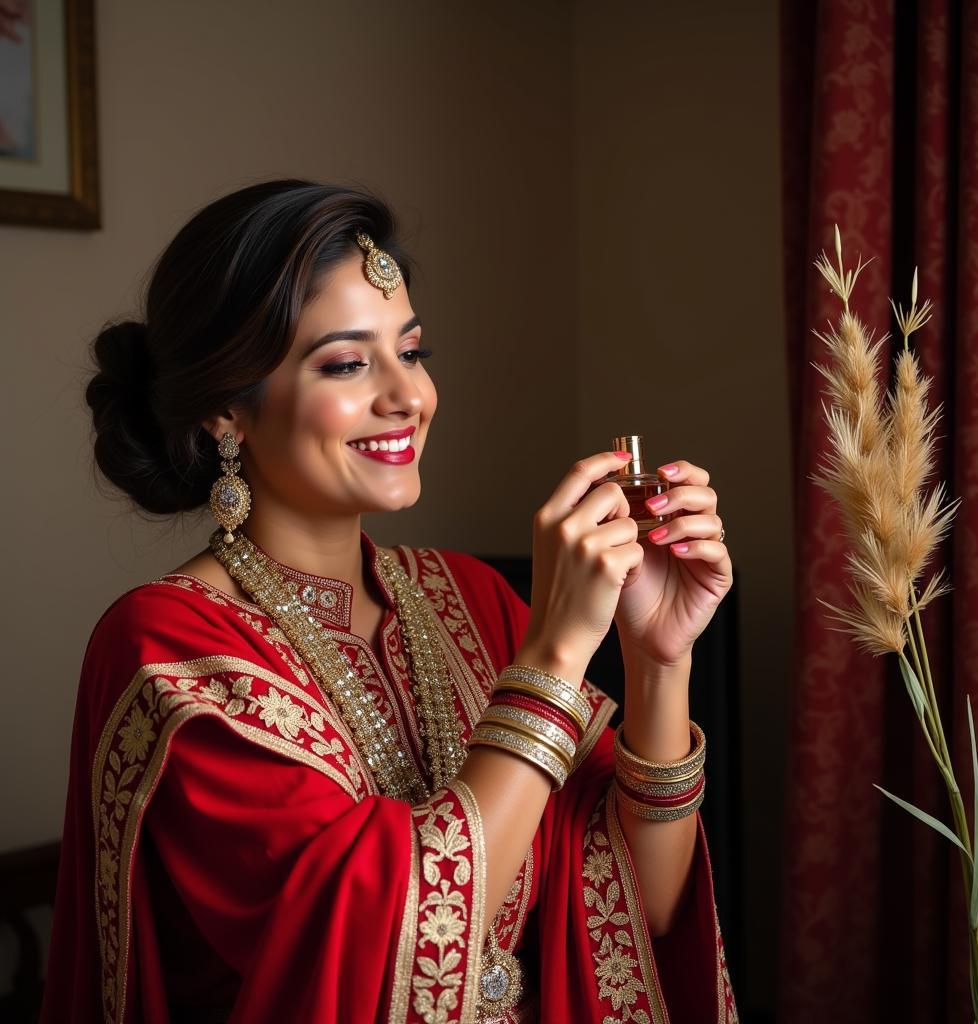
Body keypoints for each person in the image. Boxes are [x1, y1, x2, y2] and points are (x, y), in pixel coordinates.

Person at [41, 179, 738, 1023]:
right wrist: (553, 657)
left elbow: (644, 905)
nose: (408, 397)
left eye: (411, 352)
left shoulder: (469, 597)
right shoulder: (167, 644)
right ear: (228, 412)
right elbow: (384, 943)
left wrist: (660, 659)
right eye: (346, 363)